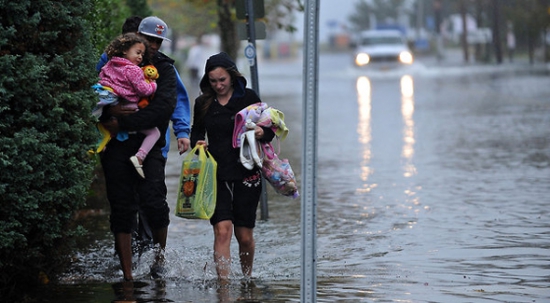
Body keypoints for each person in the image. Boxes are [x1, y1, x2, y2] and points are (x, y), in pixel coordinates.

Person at [100, 16, 177, 282]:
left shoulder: (165, 69)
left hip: (150, 146)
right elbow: (96, 98)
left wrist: (120, 120)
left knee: (155, 202)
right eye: (149, 40)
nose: (154, 45)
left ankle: (160, 260)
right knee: (121, 208)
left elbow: (162, 110)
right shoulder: (112, 61)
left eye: (158, 41)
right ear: (138, 37)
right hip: (116, 147)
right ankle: (128, 276)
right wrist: (107, 112)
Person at [190, 52, 275, 280]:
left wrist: (260, 131)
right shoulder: (203, 103)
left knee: (244, 236)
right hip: (215, 175)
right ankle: (224, 287)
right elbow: (195, 134)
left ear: (232, 77)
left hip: (247, 174)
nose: (218, 85)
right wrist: (197, 144)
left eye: (222, 80)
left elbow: (270, 130)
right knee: (222, 231)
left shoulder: (248, 98)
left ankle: (247, 279)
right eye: (213, 81)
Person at [96, 33, 160, 178]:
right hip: (129, 106)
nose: (140, 57)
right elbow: (143, 90)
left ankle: (103, 146)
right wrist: (153, 85)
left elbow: (101, 79)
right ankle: (140, 156)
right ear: (125, 50)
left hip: (111, 102)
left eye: (142, 55)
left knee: (110, 130)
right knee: (154, 132)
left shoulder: (110, 64)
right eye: (138, 53)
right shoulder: (134, 70)